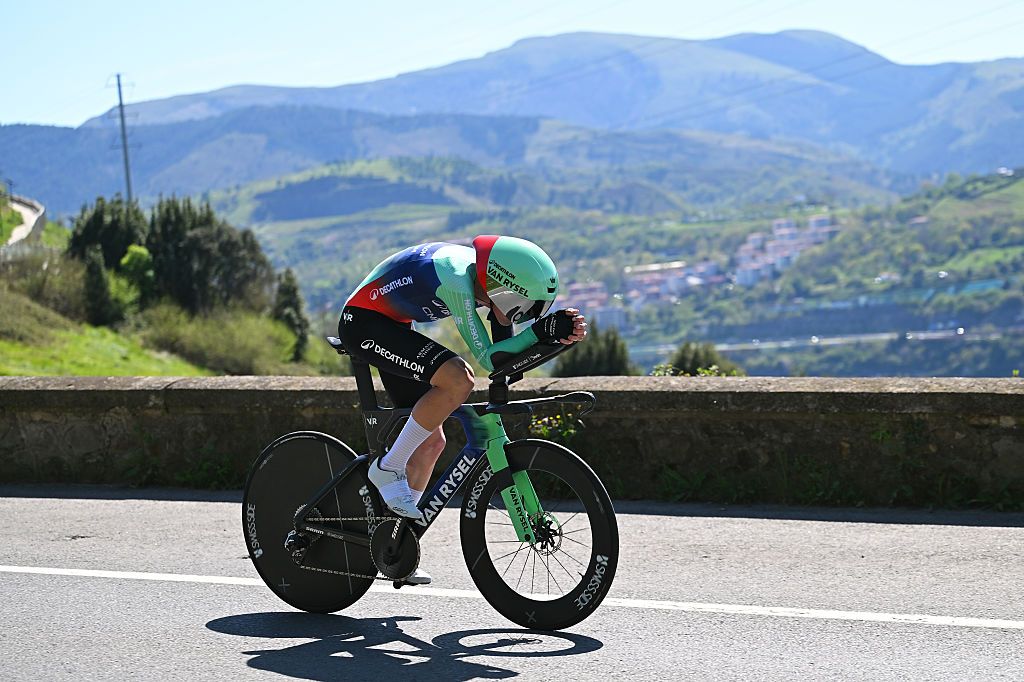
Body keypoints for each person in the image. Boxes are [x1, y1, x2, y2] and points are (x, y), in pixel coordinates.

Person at [338, 235, 586, 584]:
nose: (527, 316)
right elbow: (487, 359)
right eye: (525, 307)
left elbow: (507, 359)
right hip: (363, 323)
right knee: (458, 379)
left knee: (430, 444)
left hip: (393, 325)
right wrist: (541, 332)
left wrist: (553, 336)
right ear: (503, 288)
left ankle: (396, 545)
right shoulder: (457, 279)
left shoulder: (486, 284)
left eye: (535, 311)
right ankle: (388, 466)